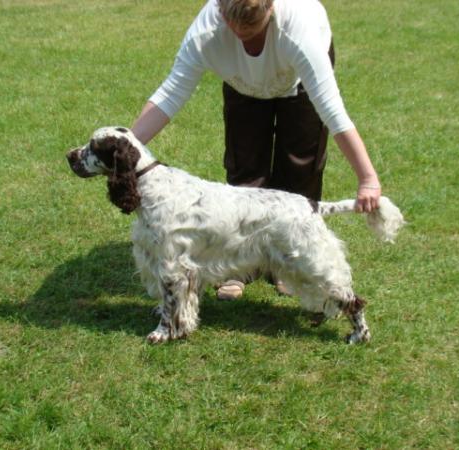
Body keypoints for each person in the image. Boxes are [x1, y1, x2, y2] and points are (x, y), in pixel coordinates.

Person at [131, 0, 382, 300]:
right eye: (237, 34)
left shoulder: (299, 32)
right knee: (245, 167)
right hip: (241, 84)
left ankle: (291, 260)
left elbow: (333, 112)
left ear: (271, 9)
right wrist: (127, 147)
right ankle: (240, 264)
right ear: (221, 14)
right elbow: (170, 94)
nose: (247, 43)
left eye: (255, 32)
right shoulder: (206, 32)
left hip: (297, 80)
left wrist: (367, 177)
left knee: (300, 164)